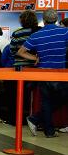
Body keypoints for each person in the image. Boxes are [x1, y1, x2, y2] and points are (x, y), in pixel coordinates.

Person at [18, 9, 68, 138]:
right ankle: (38, 121)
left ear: (44, 20)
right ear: (56, 19)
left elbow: (21, 52)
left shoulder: (37, 35)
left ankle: (45, 127)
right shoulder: (65, 31)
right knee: (62, 98)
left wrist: (36, 58)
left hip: (43, 72)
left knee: (46, 101)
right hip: (60, 73)